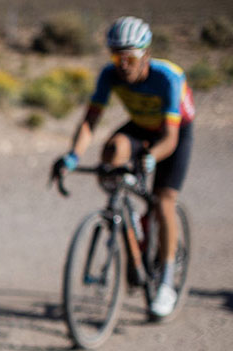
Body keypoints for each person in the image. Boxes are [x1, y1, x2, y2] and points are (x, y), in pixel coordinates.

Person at [52, 16, 194, 318]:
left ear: (146, 55)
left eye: (129, 57)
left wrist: (152, 157)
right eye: (116, 56)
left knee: (163, 201)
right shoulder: (109, 75)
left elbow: (169, 138)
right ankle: (124, 226)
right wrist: (72, 157)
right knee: (112, 151)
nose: (122, 64)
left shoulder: (167, 77)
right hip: (141, 127)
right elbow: (90, 121)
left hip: (173, 133)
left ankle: (166, 281)